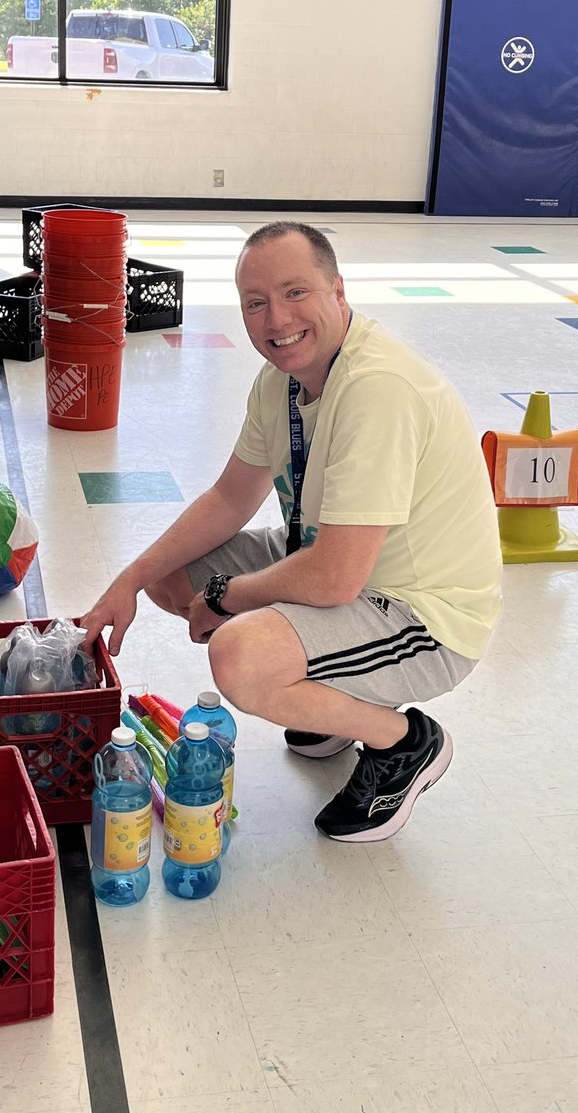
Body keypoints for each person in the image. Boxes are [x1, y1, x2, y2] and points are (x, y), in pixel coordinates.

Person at [81, 222, 502, 842]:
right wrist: (131, 579)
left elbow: (334, 579)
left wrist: (227, 596)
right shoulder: (281, 379)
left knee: (241, 657)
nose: (276, 320)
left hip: (425, 616)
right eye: (256, 303)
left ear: (338, 289)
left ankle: (402, 743)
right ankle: (336, 703)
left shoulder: (377, 390)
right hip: (339, 563)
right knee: (170, 575)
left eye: (295, 292)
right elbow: (231, 497)